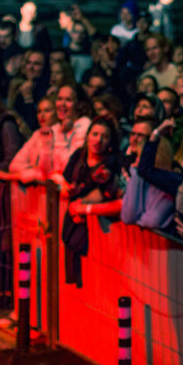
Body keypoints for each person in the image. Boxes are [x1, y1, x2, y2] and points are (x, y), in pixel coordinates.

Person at [60, 116, 122, 287]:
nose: (98, 140)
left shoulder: (111, 161)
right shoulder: (78, 155)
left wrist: (80, 204)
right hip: (75, 222)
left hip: (103, 229)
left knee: (97, 281)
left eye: (105, 136)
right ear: (87, 136)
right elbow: (63, 183)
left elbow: (104, 192)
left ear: (111, 141)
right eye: (95, 134)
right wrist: (67, 191)